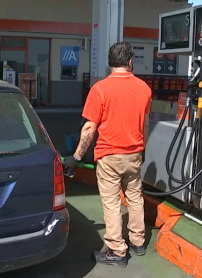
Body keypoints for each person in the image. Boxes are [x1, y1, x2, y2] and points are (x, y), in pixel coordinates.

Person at [64, 42, 151, 268]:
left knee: (112, 203)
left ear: (110, 63)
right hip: (134, 154)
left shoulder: (100, 89)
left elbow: (89, 129)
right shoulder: (144, 89)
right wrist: (142, 147)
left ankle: (116, 250)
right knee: (134, 198)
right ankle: (138, 242)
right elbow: (146, 124)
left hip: (109, 156)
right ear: (130, 62)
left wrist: (76, 157)